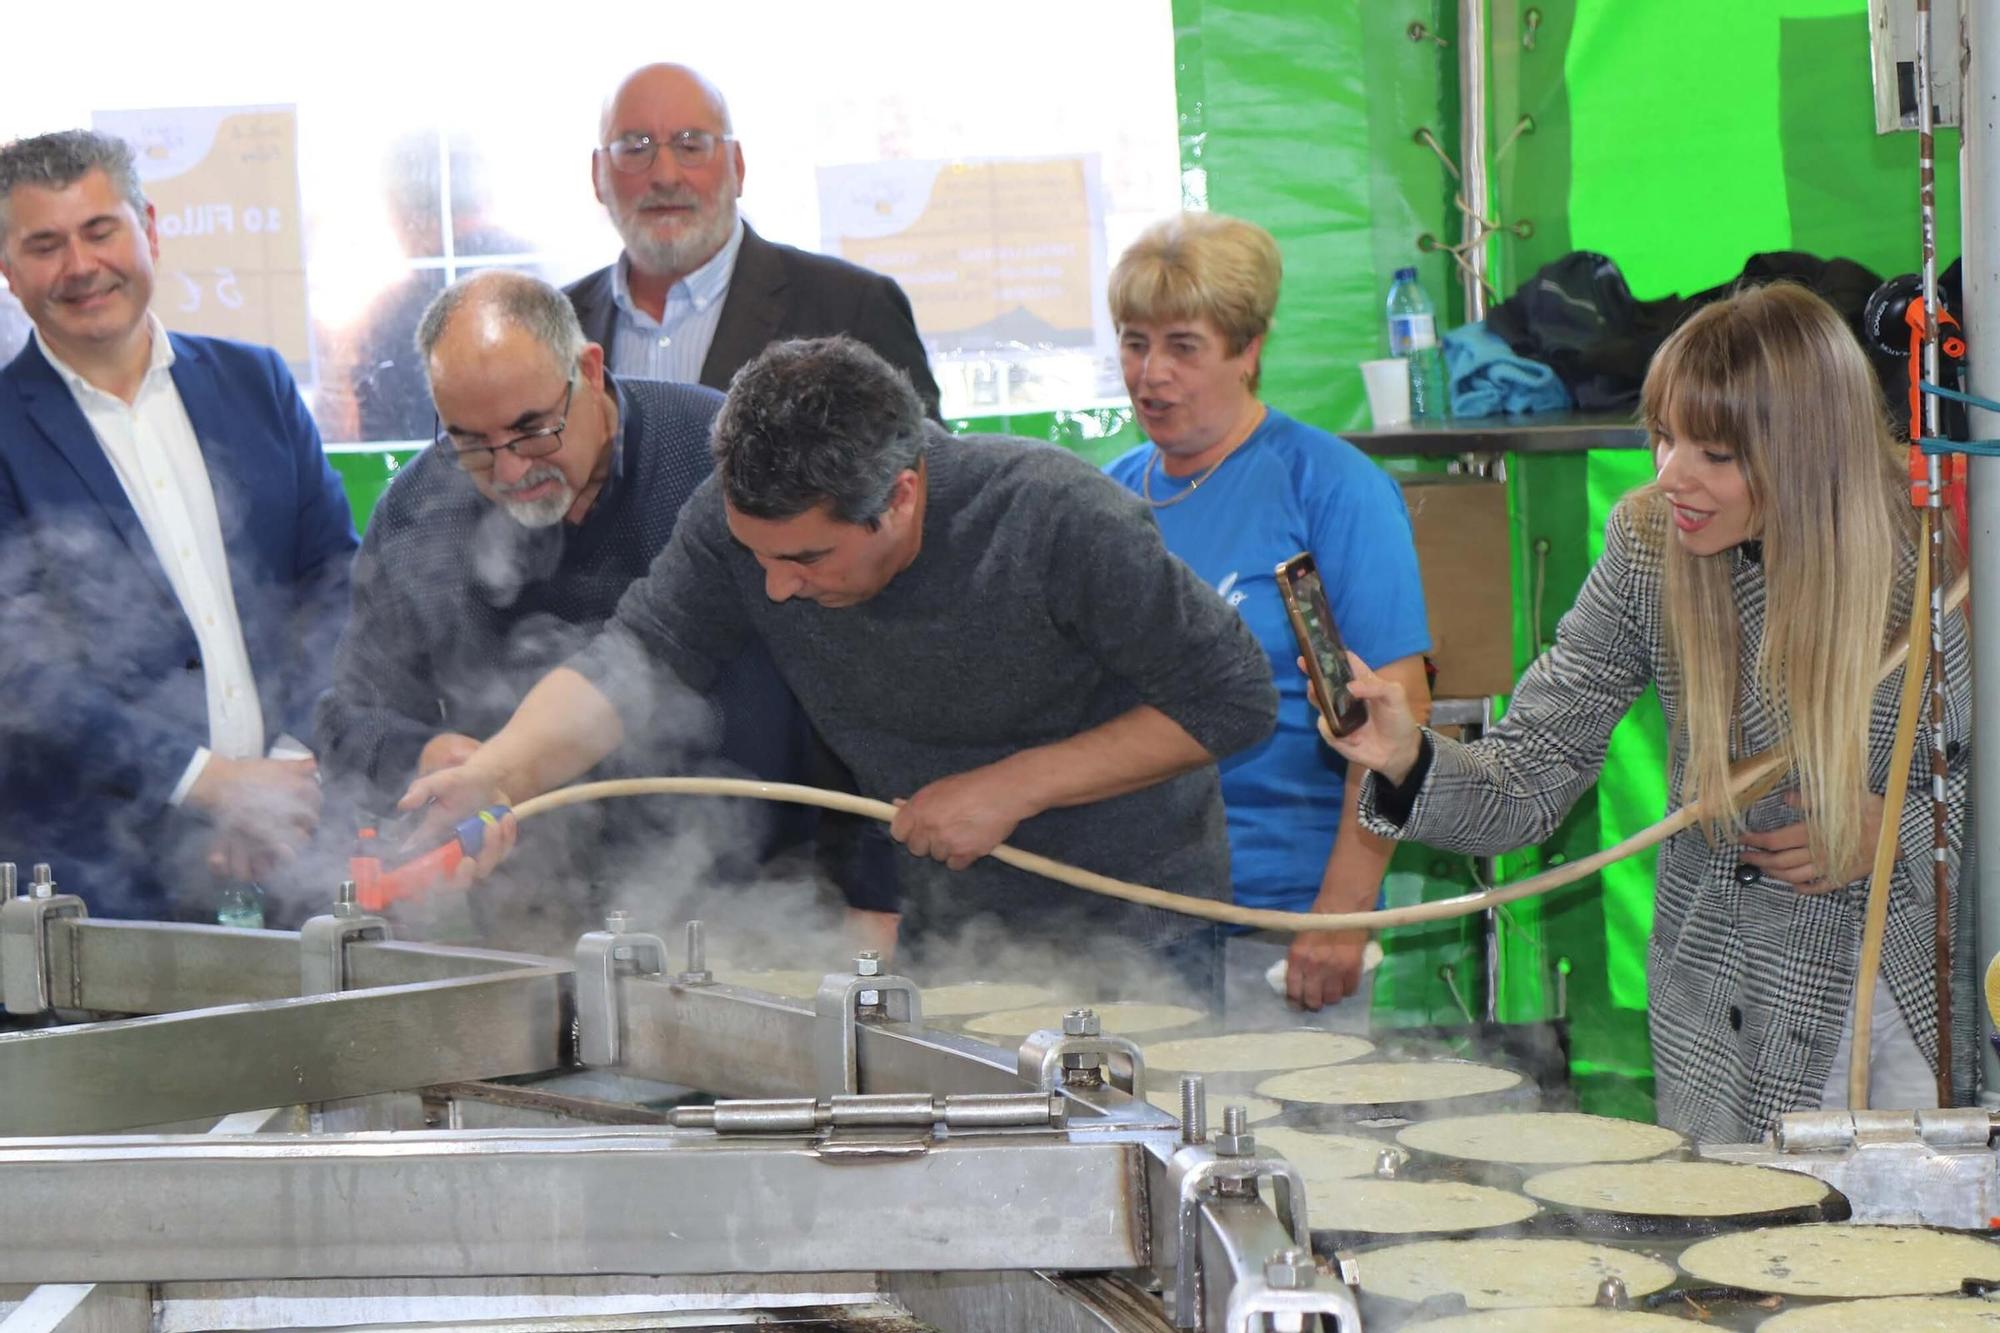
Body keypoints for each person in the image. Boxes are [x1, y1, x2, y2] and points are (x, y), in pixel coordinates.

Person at [399, 335, 1277, 1001]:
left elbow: (1235, 698)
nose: (776, 589)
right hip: (952, 920)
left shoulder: (1056, 518)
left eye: (808, 558)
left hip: (1137, 917)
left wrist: (1015, 785)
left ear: (899, 496)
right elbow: (637, 657)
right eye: (760, 557)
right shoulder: (738, 524)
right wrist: (497, 772)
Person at [1324, 283, 1972, 1142]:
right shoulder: (1646, 548)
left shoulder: (1938, 546)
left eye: (1715, 453)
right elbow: (1529, 773)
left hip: (1899, 1013)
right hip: (1723, 1016)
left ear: (1812, 454)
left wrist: (1892, 828)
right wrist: (1408, 756)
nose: (1670, 477)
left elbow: (1975, 778)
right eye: (1664, 436)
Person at [314, 270, 892, 948]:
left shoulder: (716, 461)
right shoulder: (420, 514)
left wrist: (874, 890)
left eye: (532, 429)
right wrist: (424, 754)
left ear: (588, 369)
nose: (508, 470)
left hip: (761, 902)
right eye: (469, 440)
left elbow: (858, 682)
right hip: (530, 913)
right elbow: (348, 718)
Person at [0, 129, 358, 920]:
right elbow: (20, 672)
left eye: (101, 230)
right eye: (45, 244)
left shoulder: (255, 383)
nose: (82, 266)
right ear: (9, 270)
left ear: (149, 229)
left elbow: (334, 580)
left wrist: (288, 771)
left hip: (292, 855)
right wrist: (213, 784)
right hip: (98, 895)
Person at [1104, 213, 1432, 1030]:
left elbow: (1397, 718)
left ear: (1248, 350)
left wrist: (1343, 910)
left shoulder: (1331, 488)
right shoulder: (1103, 498)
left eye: (1184, 345)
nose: (1151, 374)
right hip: (1133, 912)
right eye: (1133, 341)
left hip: (1284, 924)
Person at [566, 63, 941, 416]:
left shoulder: (853, 308)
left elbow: (931, 475)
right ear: (599, 175)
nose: (665, 175)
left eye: (691, 146)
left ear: (738, 167)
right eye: (636, 148)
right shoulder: (554, 325)